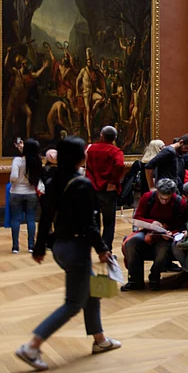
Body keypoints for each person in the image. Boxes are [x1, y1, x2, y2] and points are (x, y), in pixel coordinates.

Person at [16, 137, 120, 371]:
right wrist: (102, 249)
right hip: (76, 248)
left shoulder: (53, 180)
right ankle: (32, 346)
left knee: (92, 292)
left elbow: (45, 217)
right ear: (79, 156)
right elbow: (89, 223)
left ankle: (100, 340)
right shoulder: (81, 184)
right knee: (73, 303)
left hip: (60, 247)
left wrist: (40, 246)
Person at [122, 179, 188, 291]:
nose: (164, 201)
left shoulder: (179, 202)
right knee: (131, 243)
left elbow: (183, 225)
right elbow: (137, 217)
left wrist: (170, 233)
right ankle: (134, 281)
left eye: (167, 199)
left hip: (166, 236)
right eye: (161, 198)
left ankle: (154, 277)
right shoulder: (148, 197)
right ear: (157, 192)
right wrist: (151, 222)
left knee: (162, 251)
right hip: (148, 231)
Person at [85, 126, 125, 250]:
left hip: (91, 188)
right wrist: (112, 181)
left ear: (101, 135)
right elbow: (119, 165)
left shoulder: (90, 149)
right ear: (114, 138)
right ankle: (106, 248)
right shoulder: (115, 151)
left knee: (94, 219)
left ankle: (97, 246)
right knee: (109, 221)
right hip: (107, 190)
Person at [9, 138, 42, 254]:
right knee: (31, 219)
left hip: (16, 192)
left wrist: (14, 182)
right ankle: (31, 246)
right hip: (31, 193)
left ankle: (15, 247)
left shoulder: (18, 160)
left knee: (16, 219)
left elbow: (13, 176)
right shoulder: (37, 161)